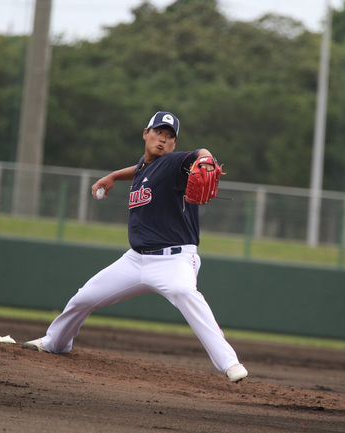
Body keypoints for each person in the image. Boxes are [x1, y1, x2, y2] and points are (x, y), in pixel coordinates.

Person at [23, 111, 248, 383]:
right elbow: (140, 168)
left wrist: (205, 160)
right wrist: (114, 177)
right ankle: (55, 342)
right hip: (135, 260)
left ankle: (230, 363)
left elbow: (200, 152)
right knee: (84, 297)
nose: (163, 140)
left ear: (175, 145)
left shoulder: (174, 163)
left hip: (174, 260)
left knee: (186, 293)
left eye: (169, 137)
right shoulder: (145, 167)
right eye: (158, 133)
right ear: (146, 133)